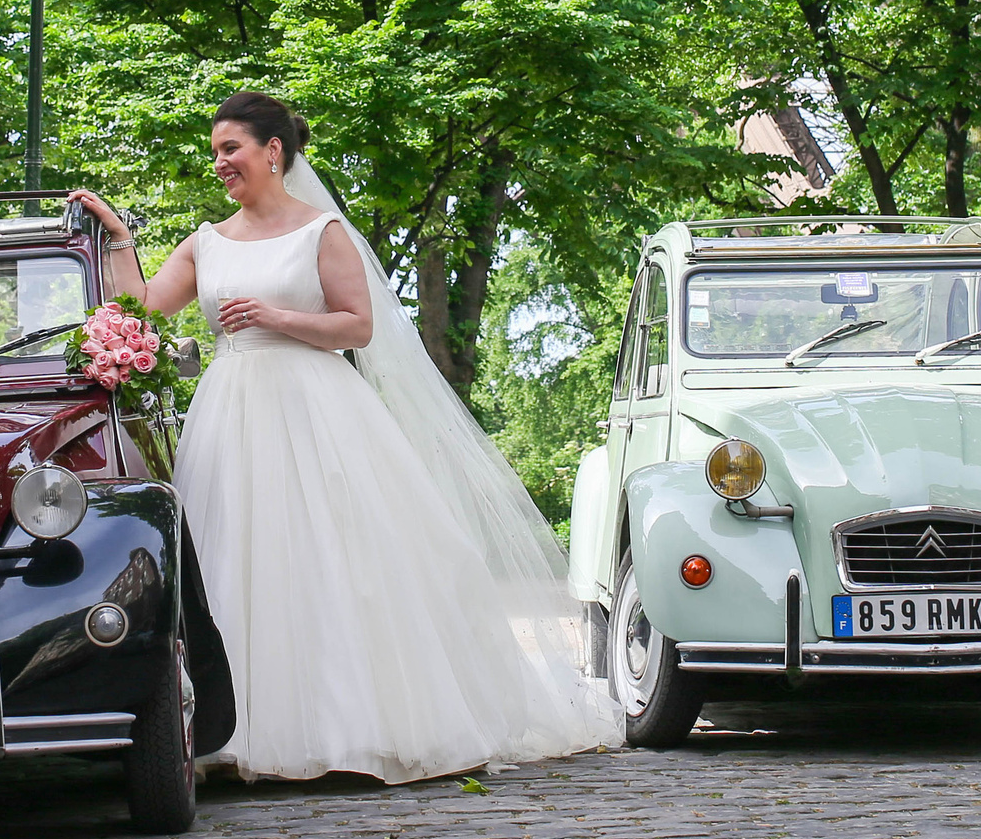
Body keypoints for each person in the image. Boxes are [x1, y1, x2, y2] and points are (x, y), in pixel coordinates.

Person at [70, 92, 617, 784]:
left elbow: (357, 326)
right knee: (237, 559)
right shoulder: (207, 241)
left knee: (331, 560)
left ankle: (348, 729)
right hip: (231, 411)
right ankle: (233, 734)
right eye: (214, 152)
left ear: (273, 151)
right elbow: (140, 305)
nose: (220, 163)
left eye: (230, 149)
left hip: (317, 407)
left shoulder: (322, 232)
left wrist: (276, 316)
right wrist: (118, 236)